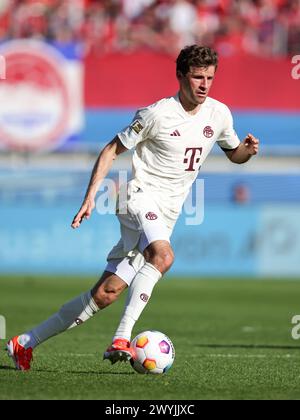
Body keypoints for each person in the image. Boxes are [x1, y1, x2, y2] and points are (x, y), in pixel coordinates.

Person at [7, 45, 259, 370]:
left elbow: (233, 153)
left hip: (166, 214)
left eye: (210, 77)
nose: (204, 84)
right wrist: (89, 197)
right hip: (136, 196)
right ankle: (121, 338)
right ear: (181, 76)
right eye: (197, 77)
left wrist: (247, 152)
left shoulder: (219, 114)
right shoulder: (156, 114)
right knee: (164, 256)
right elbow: (112, 149)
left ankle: (24, 343)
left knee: (105, 294)